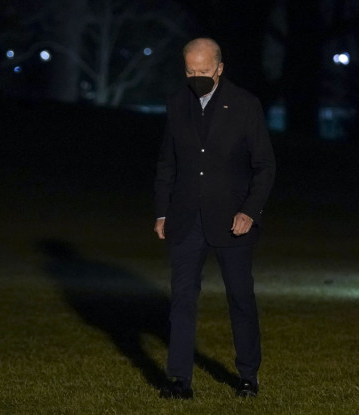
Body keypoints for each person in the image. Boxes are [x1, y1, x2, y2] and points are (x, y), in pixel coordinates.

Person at [154, 38, 276, 399]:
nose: (196, 77)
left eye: (204, 71)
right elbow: (167, 162)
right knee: (182, 300)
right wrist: (162, 211)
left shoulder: (245, 105)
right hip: (186, 219)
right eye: (190, 71)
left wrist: (249, 212)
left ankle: (247, 376)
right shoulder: (177, 103)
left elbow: (265, 166)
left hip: (232, 221)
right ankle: (179, 381)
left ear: (220, 68)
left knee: (240, 298)